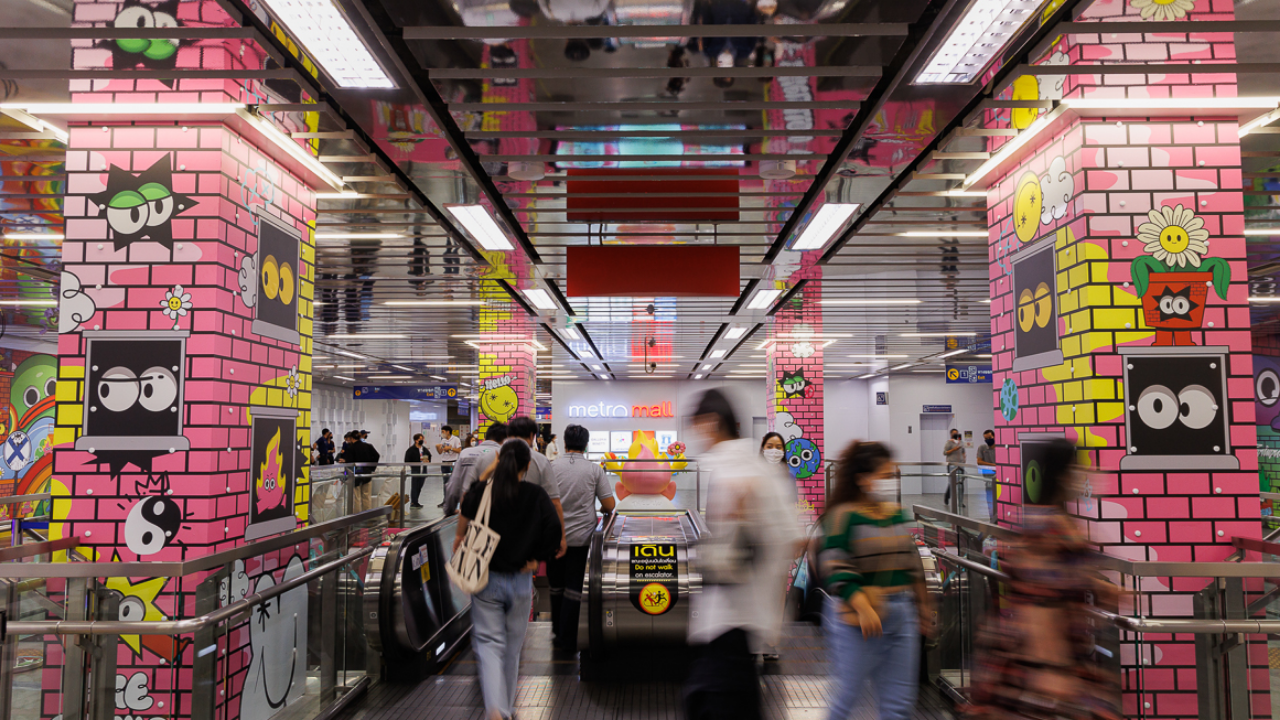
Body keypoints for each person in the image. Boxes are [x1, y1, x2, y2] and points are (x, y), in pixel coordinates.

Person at [966, 439, 1120, 720]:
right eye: (1080, 469)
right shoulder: (1050, 528)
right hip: (1040, 663)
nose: (1089, 476)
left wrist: (1100, 587)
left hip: (1052, 658)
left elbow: (1055, 581)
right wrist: (1049, 668)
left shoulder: (1054, 521)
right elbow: (1037, 602)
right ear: (1064, 475)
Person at [685, 389, 801, 720]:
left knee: (716, 699)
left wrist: (744, 517)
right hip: (739, 620)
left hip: (730, 617)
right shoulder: (750, 461)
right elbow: (791, 535)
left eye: (696, 426)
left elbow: (784, 536)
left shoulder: (733, 465)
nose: (696, 435)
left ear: (710, 423)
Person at [821, 440, 930, 720]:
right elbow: (836, 565)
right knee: (847, 695)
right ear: (862, 479)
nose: (891, 482)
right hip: (858, 619)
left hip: (901, 614)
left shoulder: (896, 513)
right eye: (885, 476)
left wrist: (924, 606)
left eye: (893, 475)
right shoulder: (842, 516)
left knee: (899, 705)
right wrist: (863, 606)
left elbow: (911, 562)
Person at [453, 440, 561, 720]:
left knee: (489, 644)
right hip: (521, 581)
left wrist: (491, 469)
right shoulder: (535, 495)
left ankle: (495, 708)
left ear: (499, 461)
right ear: (527, 466)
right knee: (512, 649)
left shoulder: (481, 492)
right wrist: (539, 558)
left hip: (486, 579)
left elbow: (465, 513)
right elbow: (553, 529)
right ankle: (507, 708)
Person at [546, 424, 615, 649]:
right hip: (582, 538)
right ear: (586, 445)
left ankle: (556, 631)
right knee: (574, 588)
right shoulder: (594, 470)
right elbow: (609, 504)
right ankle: (568, 636)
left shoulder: (550, 467)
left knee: (555, 586)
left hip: (555, 537)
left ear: (564, 443)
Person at [503, 417, 566, 555]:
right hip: (528, 533)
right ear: (532, 435)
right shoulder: (539, 460)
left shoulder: (491, 457)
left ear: (508, 434)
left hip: (494, 534)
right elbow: (554, 502)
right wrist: (561, 537)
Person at [444, 423, 507, 515]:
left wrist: (449, 510)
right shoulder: (505, 454)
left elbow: (453, 486)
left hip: (467, 512)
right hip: (495, 513)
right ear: (505, 439)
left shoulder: (465, 453)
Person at [341, 431, 381, 512]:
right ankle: (366, 515)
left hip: (355, 475)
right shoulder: (368, 446)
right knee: (366, 496)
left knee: (356, 497)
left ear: (352, 438)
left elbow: (348, 464)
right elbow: (377, 455)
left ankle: (357, 516)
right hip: (367, 474)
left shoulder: (351, 449)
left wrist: (346, 476)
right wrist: (372, 468)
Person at [436, 425, 462, 508]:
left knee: (453, 482)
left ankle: (454, 500)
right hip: (444, 463)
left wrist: (450, 449)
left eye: (443, 431)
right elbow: (440, 452)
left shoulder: (455, 439)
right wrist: (438, 448)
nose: (442, 433)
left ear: (448, 432)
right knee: (445, 482)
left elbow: (459, 450)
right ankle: (445, 500)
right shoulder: (443, 440)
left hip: (452, 462)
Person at [975, 429, 997, 521]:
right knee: (990, 500)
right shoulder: (982, 448)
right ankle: (992, 519)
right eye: (986, 438)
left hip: (999, 479)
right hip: (988, 479)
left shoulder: (999, 448)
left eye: (990, 438)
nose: (988, 440)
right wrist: (994, 466)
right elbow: (979, 462)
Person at [405, 433, 430, 509]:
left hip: (423, 469)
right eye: (420, 439)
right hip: (416, 469)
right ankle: (413, 502)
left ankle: (416, 501)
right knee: (415, 486)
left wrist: (428, 460)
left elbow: (429, 456)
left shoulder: (424, 449)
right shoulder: (411, 450)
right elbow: (407, 460)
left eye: (422, 439)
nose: (422, 440)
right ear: (416, 440)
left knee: (419, 486)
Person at [942, 428, 965, 507]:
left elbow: (963, 451)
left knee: (961, 483)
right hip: (952, 464)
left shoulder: (961, 442)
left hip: (961, 465)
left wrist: (964, 459)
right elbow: (945, 452)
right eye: (954, 433)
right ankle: (947, 496)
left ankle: (961, 501)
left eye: (957, 433)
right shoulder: (949, 443)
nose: (956, 434)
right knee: (952, 482)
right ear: (951, 434)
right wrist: (954, 449)